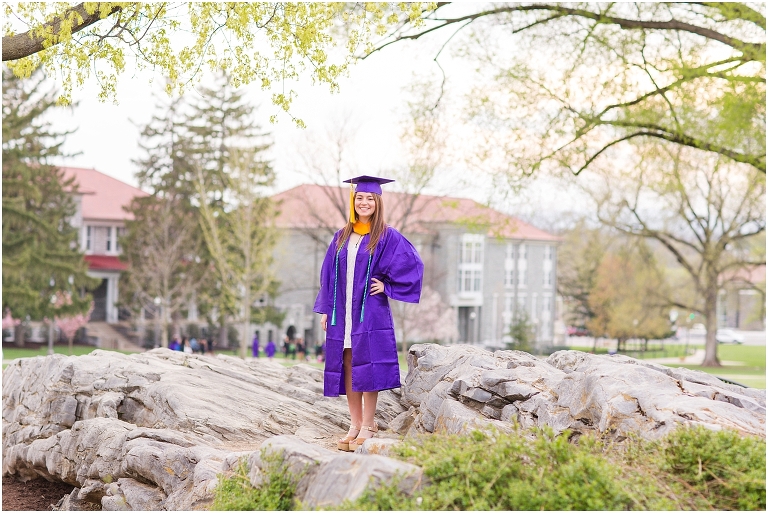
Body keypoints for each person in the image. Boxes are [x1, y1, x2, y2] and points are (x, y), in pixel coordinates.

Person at [314, 175, 423, 452]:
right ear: (354, 200)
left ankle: (369, 424)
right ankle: (354, 423)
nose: (364, 202)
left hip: (369, 310)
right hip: (342, 311)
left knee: (368, 363)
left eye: (369, 198)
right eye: (360, 197)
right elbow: (328, 275)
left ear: (377, 202)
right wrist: (326, 309)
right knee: (348, 362)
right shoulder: (341, 236)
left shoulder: (386, 236)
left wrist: (386, 285)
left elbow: (412, 264)